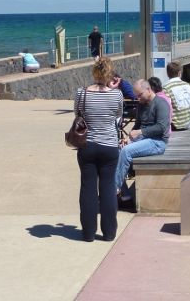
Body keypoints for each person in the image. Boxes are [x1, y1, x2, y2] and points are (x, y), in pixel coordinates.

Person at [74, 57, 123, 242]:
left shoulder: (82, 93)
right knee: (108, 187)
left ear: (94, 72)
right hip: (109, 146)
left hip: (88, 145)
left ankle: (88, 233)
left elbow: (78, 114)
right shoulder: (116, 94)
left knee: (88, 188)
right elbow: (118, 115)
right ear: (110, 73)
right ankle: (109, 232)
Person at [115, 79, 171, 202]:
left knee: (126, 151)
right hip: (143, 139)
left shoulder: (161, 104)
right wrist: (127, 137)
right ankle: (124, 194)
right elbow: (138, 125)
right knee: (115, 151)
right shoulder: (141, 104)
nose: (138, 98)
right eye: (137, 96)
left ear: (149, 90)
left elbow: (161, 128)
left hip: (157, 142)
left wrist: (140, 132)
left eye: (140, 95)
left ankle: (114, 190)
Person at [163, 61, 190, 130]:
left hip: (175, 125)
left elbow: (165, 109)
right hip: (188, 122)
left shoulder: (166, 88)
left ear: (167, 74)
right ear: (179, 73)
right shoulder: (188, 85)